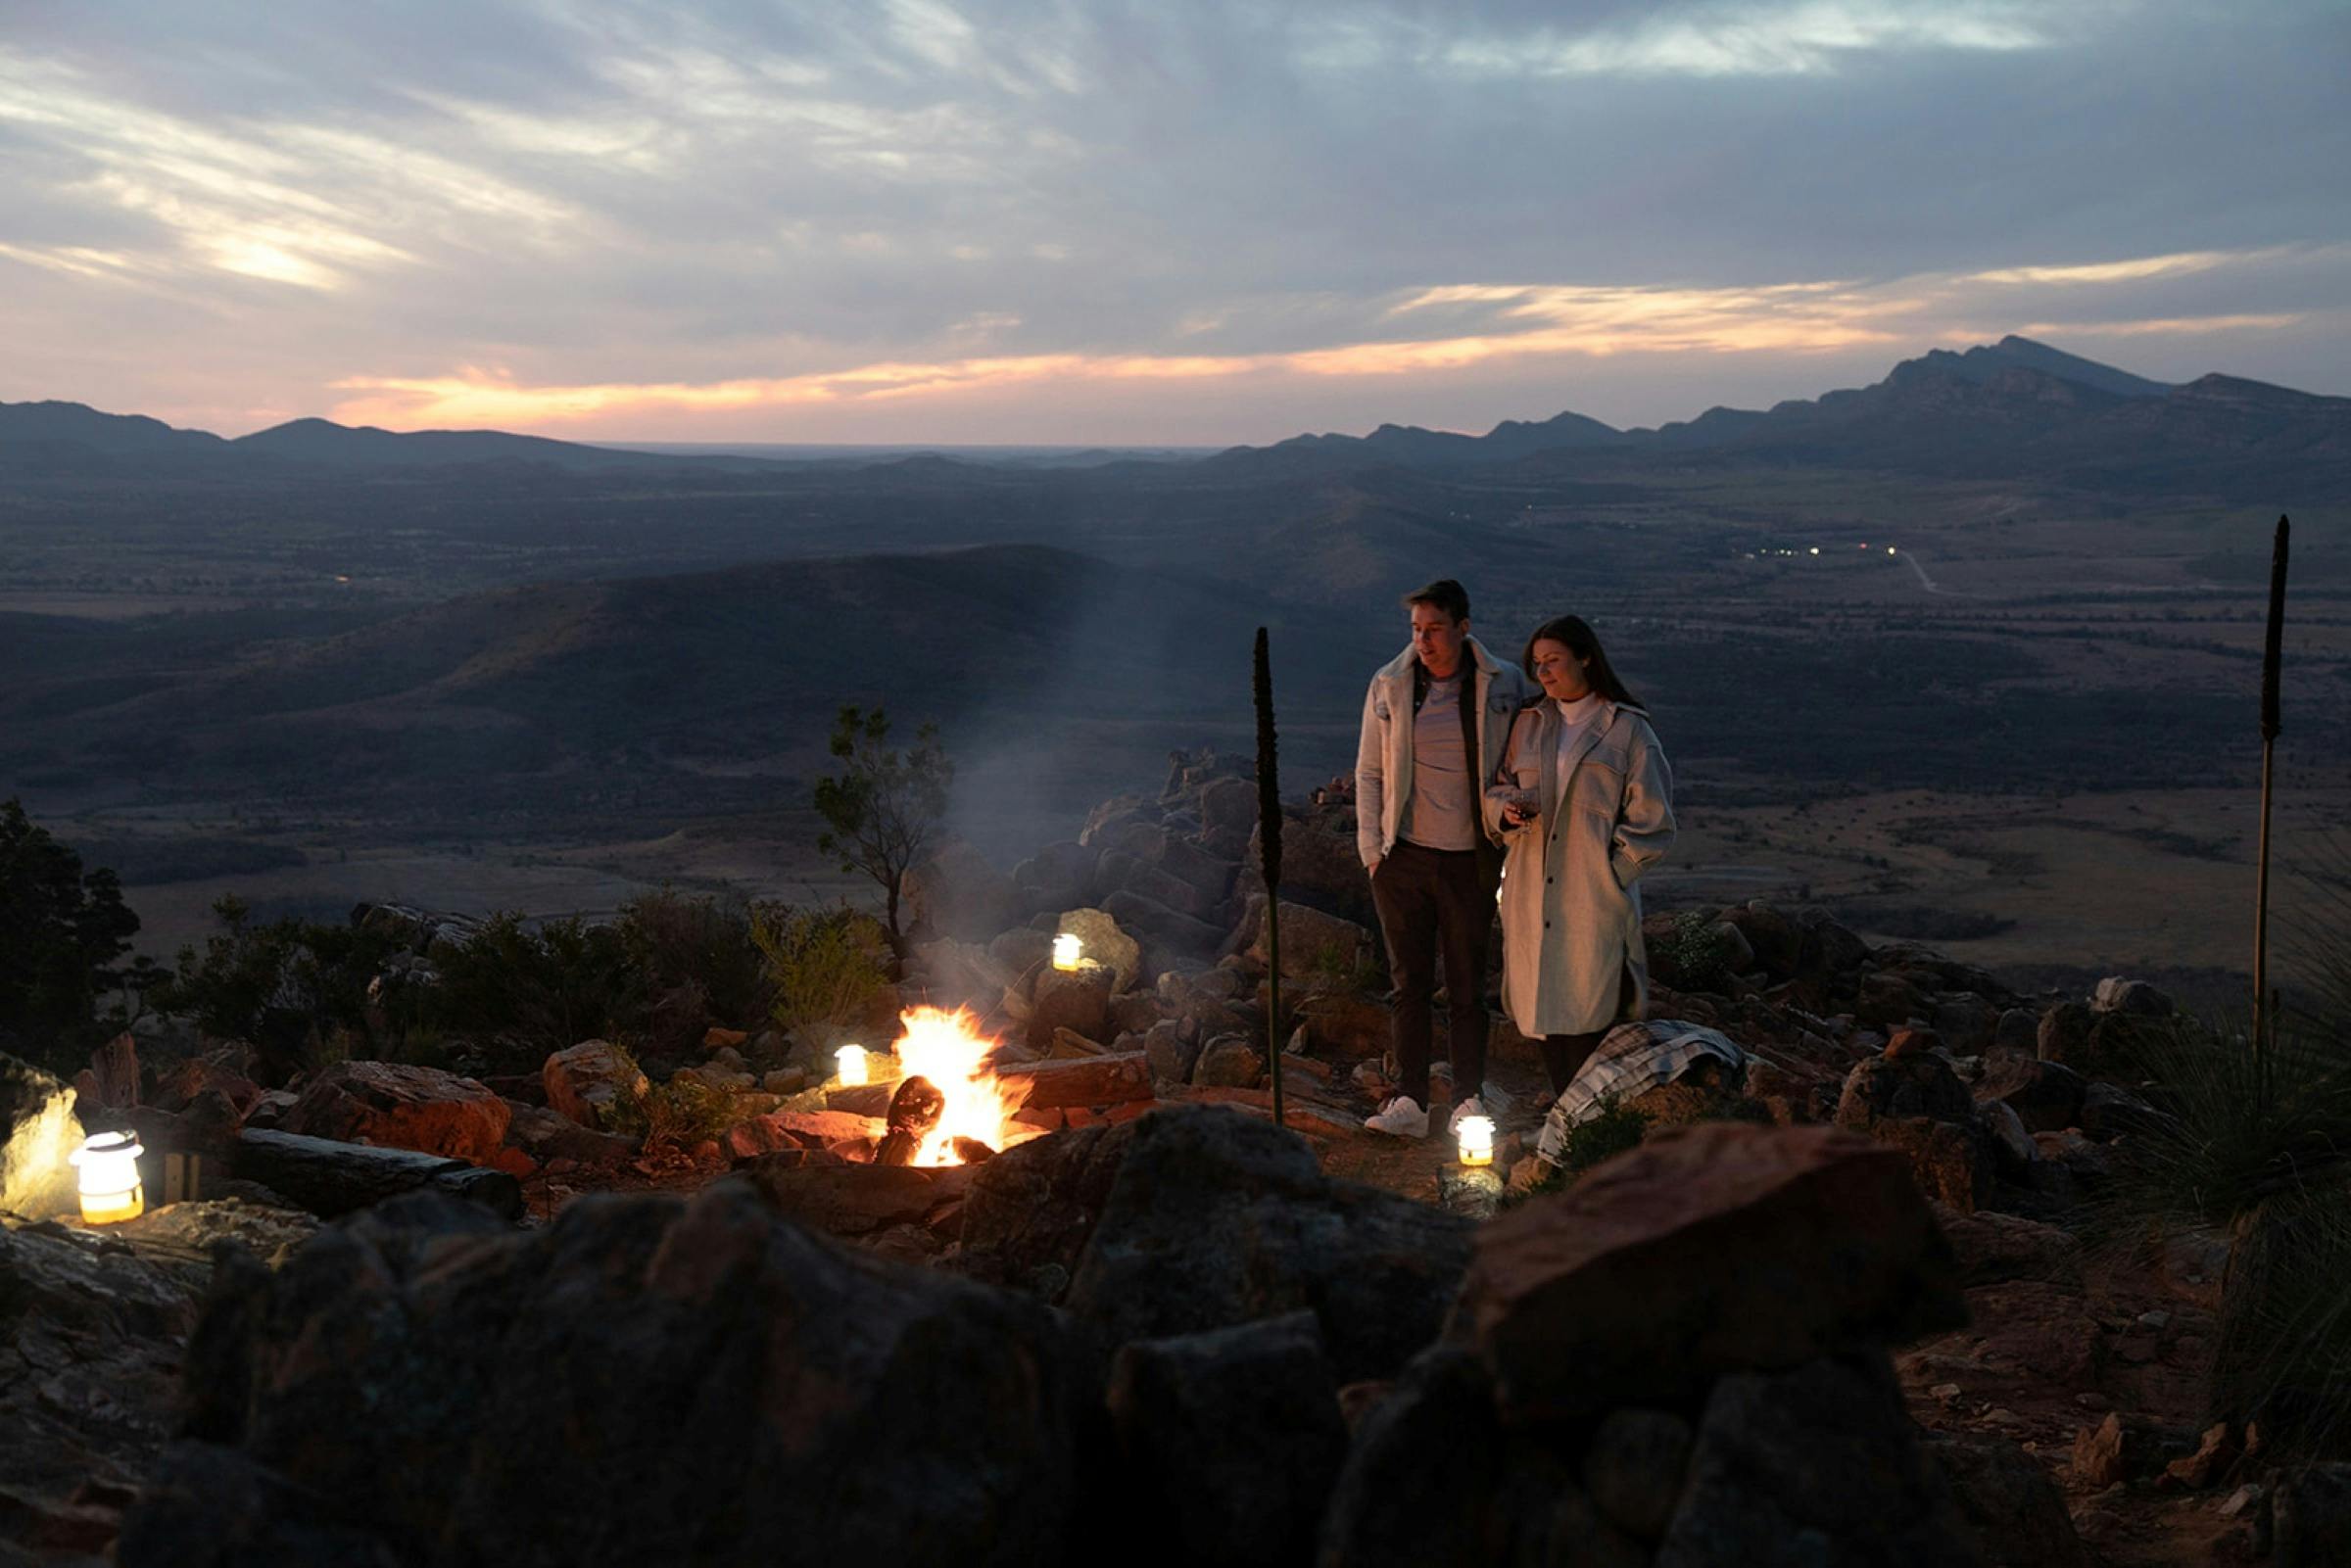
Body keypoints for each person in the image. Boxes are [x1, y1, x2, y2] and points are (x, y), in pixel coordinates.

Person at [1355, 579, 1531, 1139]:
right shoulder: (1389, 685)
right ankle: (1408, 1100)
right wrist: (1371, 852)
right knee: (1407, 982)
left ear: (1463, 627)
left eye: (1434, 629)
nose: (1424, 641)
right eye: (1416, 630)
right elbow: (1369, 771)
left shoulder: (1503, 684)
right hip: (1402, 857)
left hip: (1469, 858)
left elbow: (1520, 762)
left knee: (1466, 984)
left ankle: (1468, 1099)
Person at [1483, 615, 1676, 1099]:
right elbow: (1497, 788)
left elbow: (1654, 821)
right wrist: (1503, 812)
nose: (1542, 672)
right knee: (1542, 1009)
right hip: (1531, 890)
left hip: (1593, 897)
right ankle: (1570, 1120)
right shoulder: (1528, 723)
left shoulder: (1628, 730)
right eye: (1537, 663)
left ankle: (1589, 1125)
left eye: (1553, 660)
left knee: (1592, 1009)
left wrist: (1611, 875)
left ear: (1585, 657)